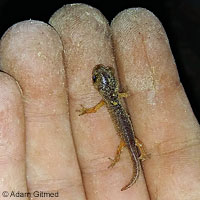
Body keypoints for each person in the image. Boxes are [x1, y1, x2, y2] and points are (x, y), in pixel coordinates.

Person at [0, 4, 199, 200]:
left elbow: (96, 108)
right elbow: (123, 95)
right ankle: (138, 160)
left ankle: (134, 164)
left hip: (126, 138)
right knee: (132, 144)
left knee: (127, 145)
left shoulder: (108, 100)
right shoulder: (116, 97)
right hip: (128, 136)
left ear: (100, 89)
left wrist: (86, 111)